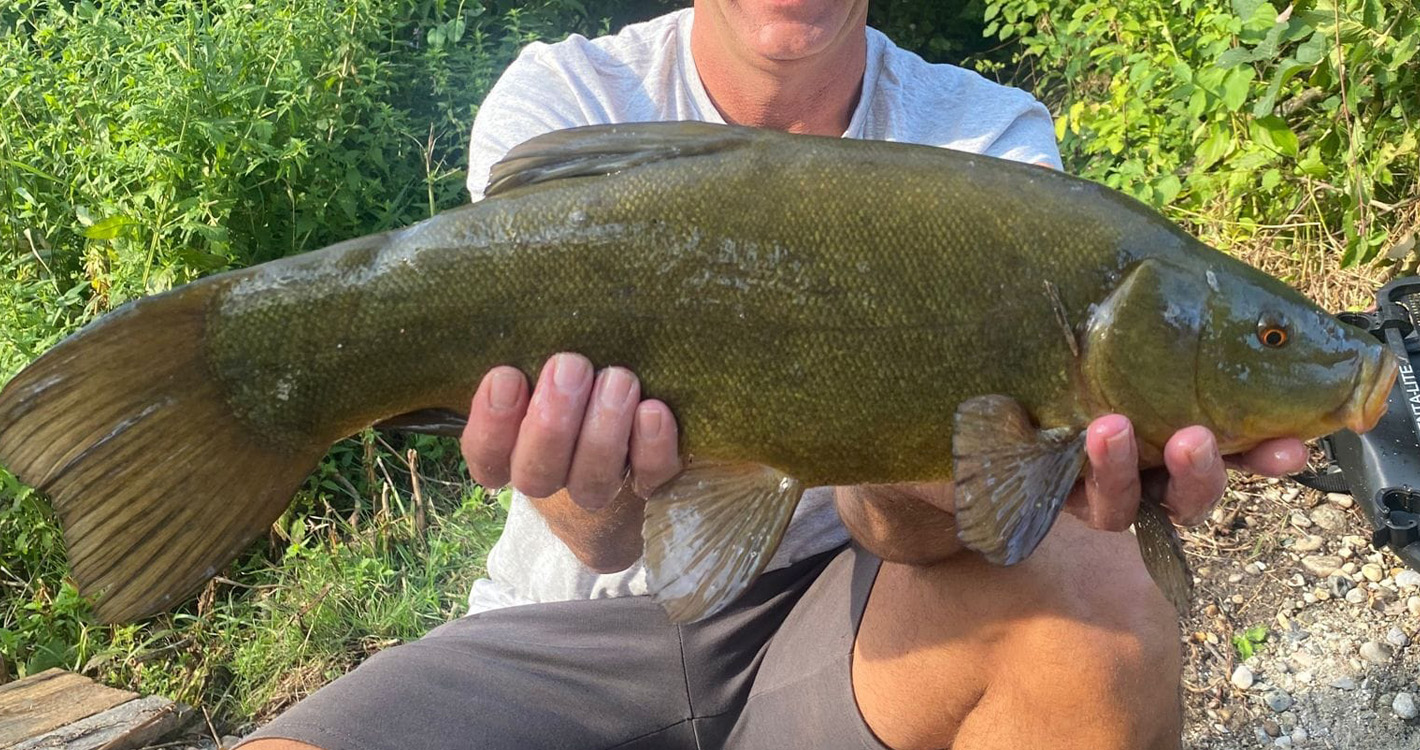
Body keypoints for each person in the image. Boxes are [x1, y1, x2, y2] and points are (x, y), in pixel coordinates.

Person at [242, 2, 1307, 748]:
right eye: (1267, 342)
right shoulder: (569, 93)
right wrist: (594, 475)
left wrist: (985, 476)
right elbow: (597, 538)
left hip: (845, 622)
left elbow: (906, 530)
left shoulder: (983, 141)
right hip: (563, 626)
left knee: (1097, 584)